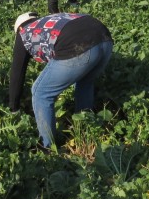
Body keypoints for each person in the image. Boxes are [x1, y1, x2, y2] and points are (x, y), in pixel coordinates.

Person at [9, 11, 113, 149]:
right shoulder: (51, 20)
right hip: (105, 40)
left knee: (41, 92)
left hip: (80, 47)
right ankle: (85, 130)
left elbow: (17, 74)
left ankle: (47, 147)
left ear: (19, 28)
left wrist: (13, 108)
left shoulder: (24, 33)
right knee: (85, 83)